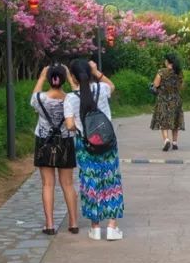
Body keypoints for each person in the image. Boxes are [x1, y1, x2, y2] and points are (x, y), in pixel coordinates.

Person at [64, 59, 124, 241]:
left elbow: (70, 125)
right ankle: (112, 227)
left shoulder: (71, 98)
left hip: (86, 145)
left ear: (73, 77)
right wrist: (97, 71)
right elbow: (111, 85)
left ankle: (95, 227)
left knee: (90, 182)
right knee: (111, 180)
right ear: (90, 74)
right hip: (108, 144)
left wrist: (82, 127)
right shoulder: (102, 89)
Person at [30, 64, 80, 236]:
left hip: (44, 141)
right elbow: (78, 93)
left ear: (49, 78)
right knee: (67, 184)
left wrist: (42, 76)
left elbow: (34, 95)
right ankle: (73, 222)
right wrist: (69, 75)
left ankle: (49, 224)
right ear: (64, 79)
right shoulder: (71, 98)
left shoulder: (40, 98)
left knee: (47, 184)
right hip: (65, 142)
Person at [151, 53, 186, 151]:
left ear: (167, 61)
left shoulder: (161, 72)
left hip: (163, 99)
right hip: (176, 99)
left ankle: (166, 140)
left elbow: (156, 85)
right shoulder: (179, 72)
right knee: (175, 120)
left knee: (163, 121)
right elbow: (182, 86)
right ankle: (175, 143)